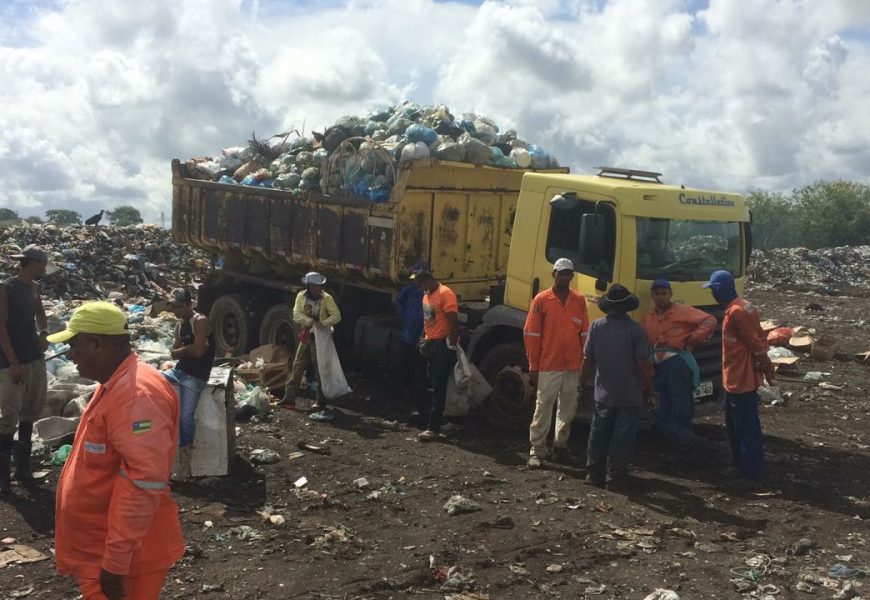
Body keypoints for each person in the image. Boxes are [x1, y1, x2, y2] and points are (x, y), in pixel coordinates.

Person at [48, 302, 184, 599]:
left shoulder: (136, 395)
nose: (70, 354)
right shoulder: (117, 383)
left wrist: (115, 563)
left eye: (74, 344)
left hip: (123, 559)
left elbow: (142, 482)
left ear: (97, 343)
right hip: (105, 550)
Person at [703, 270, 774, 489]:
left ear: (720, 289)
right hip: (734, 378)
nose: (712, 294)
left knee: (745, 428)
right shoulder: (746, 306)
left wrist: (767, 368)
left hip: (740, 379)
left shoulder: (736, 312)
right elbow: (761, 336)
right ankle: (740, 465)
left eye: (713, 290)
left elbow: (756, 342)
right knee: (734, 426)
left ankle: (750, 475)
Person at [581, 284, 651, 491]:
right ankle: (616, 478)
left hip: (603, 392)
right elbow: (642, 366)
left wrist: (582, 383)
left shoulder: (596, 327)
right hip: (629, 394)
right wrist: (648, 390)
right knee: (622, 437)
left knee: (598, 432)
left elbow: (587, 359)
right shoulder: (636, 331)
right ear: (627, 307)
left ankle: (593, 474)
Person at [523, 258, 589, 469]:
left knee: (568, 407)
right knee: (543, 406)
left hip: (572, 363)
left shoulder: (579, 300)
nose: (564, 277)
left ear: (572, 276)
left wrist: (584, 362)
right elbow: (532, 334)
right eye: (561, 273)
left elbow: (585, 333)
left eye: (568, 273)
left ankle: (561, 446)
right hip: (549, 363)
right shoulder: (542, 300)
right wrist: (533, 365)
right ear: (554, 274)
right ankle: (537, 450)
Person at [642, 279, 716, 450]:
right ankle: (680, 441)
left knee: (680, 404)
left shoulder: (682, 311)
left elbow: (709, 320)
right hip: (658, 365)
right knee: (662, 406)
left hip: (676, 363)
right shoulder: (649, 318)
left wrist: (693, 339)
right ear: (652, 296)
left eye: (664, 293)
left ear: (670, 294)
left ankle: (688, 443)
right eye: (657, 294)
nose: (660, 297)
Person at [0, 245, 49, 496]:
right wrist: (13, 363)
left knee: (29, 414)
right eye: (43, 264)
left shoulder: (34, 288)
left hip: (33, 359)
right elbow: (1, 327)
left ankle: (23, 470)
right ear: (33, 263)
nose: (45, 269)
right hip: (12, 364)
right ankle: (3, 481)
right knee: (9, 418)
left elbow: (40, 314)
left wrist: (44, 333)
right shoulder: (6, 288)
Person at [162, 288, 215, 480]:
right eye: (172, 307)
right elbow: (174, 353)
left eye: (178, 306)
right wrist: (188, 349)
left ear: (187, 304)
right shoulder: (179, 325)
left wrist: (184, 351)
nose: (175, 311)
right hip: (179, 371)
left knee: (186, 417)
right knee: (152, 384)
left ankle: (185, 463)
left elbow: (199, 353)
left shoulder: (199, 321)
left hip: (195, 376)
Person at [279, 272, 341, 412]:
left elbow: (336, 316)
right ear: (308, 286)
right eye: (314, 286)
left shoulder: (327, 298)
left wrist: (323, 323)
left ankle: (320, 401)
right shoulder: (301, 296)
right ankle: (289, 398)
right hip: (306, 336)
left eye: (318, 286)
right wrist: (311, 322)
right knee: (297, 366)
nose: (316, 289)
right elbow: (296, 315)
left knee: (320, 369)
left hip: (320, 338)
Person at [413, 268, 459, 442]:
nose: (420, 288)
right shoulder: (427, 296)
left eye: (421, 284)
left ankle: (433, 427)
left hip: (442, 345)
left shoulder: (445, 294)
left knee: (439, 386)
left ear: (427, 281)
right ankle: (435, 420)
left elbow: (454, 322)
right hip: (431, 344)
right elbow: (429, 320)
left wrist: (452, 346)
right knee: (432, 384)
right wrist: (424, 339)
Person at [395, 262, 426, 418]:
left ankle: (418, 403)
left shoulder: (431, 293)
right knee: (407, 368)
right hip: (408, 335)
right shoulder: (409, 290)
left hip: (422, 338)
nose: (417, 282)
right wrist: (403, 316)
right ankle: (406, 399)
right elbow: (398, 302)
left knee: (419, 371)